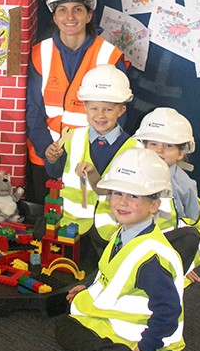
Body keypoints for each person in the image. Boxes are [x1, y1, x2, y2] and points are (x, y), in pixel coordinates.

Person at [55, 148, 185, 351]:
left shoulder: (150, 259)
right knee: (66, 312)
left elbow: (169, 310)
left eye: (133, 196)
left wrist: (147, 348)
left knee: (66, 328)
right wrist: (87, 285)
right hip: (112, 317)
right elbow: (108, 268)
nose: (122, 202)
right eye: (117, 193)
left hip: (137, 334)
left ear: (154, 205)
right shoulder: (124, 233)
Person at [26, 0, 130, 204]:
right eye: (62, 10)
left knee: (84, 222)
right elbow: (33, 110)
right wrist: (46, 149)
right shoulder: (38, 54)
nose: (69, 17)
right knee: (47, 224)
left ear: (89, 14)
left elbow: (119, 114)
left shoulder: (109, 56)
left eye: (77, 10)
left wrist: (98, 154)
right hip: (45, 156)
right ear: (54, 16)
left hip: (92, 159)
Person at [44, 65, 139, 261]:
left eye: (108, 109)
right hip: (71, 226)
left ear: (121, 110)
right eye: (94, 108)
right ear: (85, 107)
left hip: (111, 232)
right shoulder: (72, 138)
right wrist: (52, 159)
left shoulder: (134, 148)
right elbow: (55, 173)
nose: (100, 115)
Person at [132, 107, 200, 283]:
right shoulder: (132, 173)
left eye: (168, 146)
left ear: (180, 153)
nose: (159, 151)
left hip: (165, 252)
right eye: (153, 144)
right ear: (144, 145)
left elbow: (193, 230)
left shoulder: (185, 187)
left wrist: (185, 262)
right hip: (131, 246)